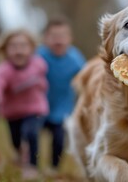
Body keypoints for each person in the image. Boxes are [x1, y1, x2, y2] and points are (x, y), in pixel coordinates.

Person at [0, 29, 48, 179]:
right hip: (13, 113)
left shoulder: (39, 65)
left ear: (31, 48)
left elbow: (44, 81)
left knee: (30, 133)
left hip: (35, 109)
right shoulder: (3, 70)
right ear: (5, 50)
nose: (19, 51)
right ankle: (19, 153)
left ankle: (32, 166)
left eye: (23, 46)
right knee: (16, 140)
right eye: (14, 46)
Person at [37, 16, 86, 172]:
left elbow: (86, 80)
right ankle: (30, 163)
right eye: (54, 37)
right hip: (38, 106)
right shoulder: (38, 56)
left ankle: (53, 168)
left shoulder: (75, 59)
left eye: (62, 36)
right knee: (30, 134)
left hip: (62, 109)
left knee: (59, 139)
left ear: (70, 38)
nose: (58, 41)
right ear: (45, 38)